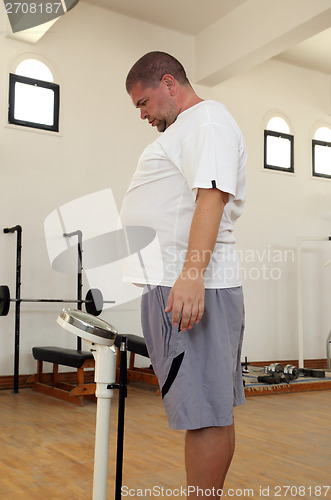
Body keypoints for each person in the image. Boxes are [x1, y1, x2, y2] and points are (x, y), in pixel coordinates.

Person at [120, 51, 247, 499]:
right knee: (211, 409)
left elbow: (210, 196)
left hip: (192, 287)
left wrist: (191, 276)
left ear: (169, 83)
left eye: (143, 102)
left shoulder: (206, 121)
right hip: (183, 284)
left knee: (205, 414)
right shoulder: (192, 129)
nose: (143, 114)